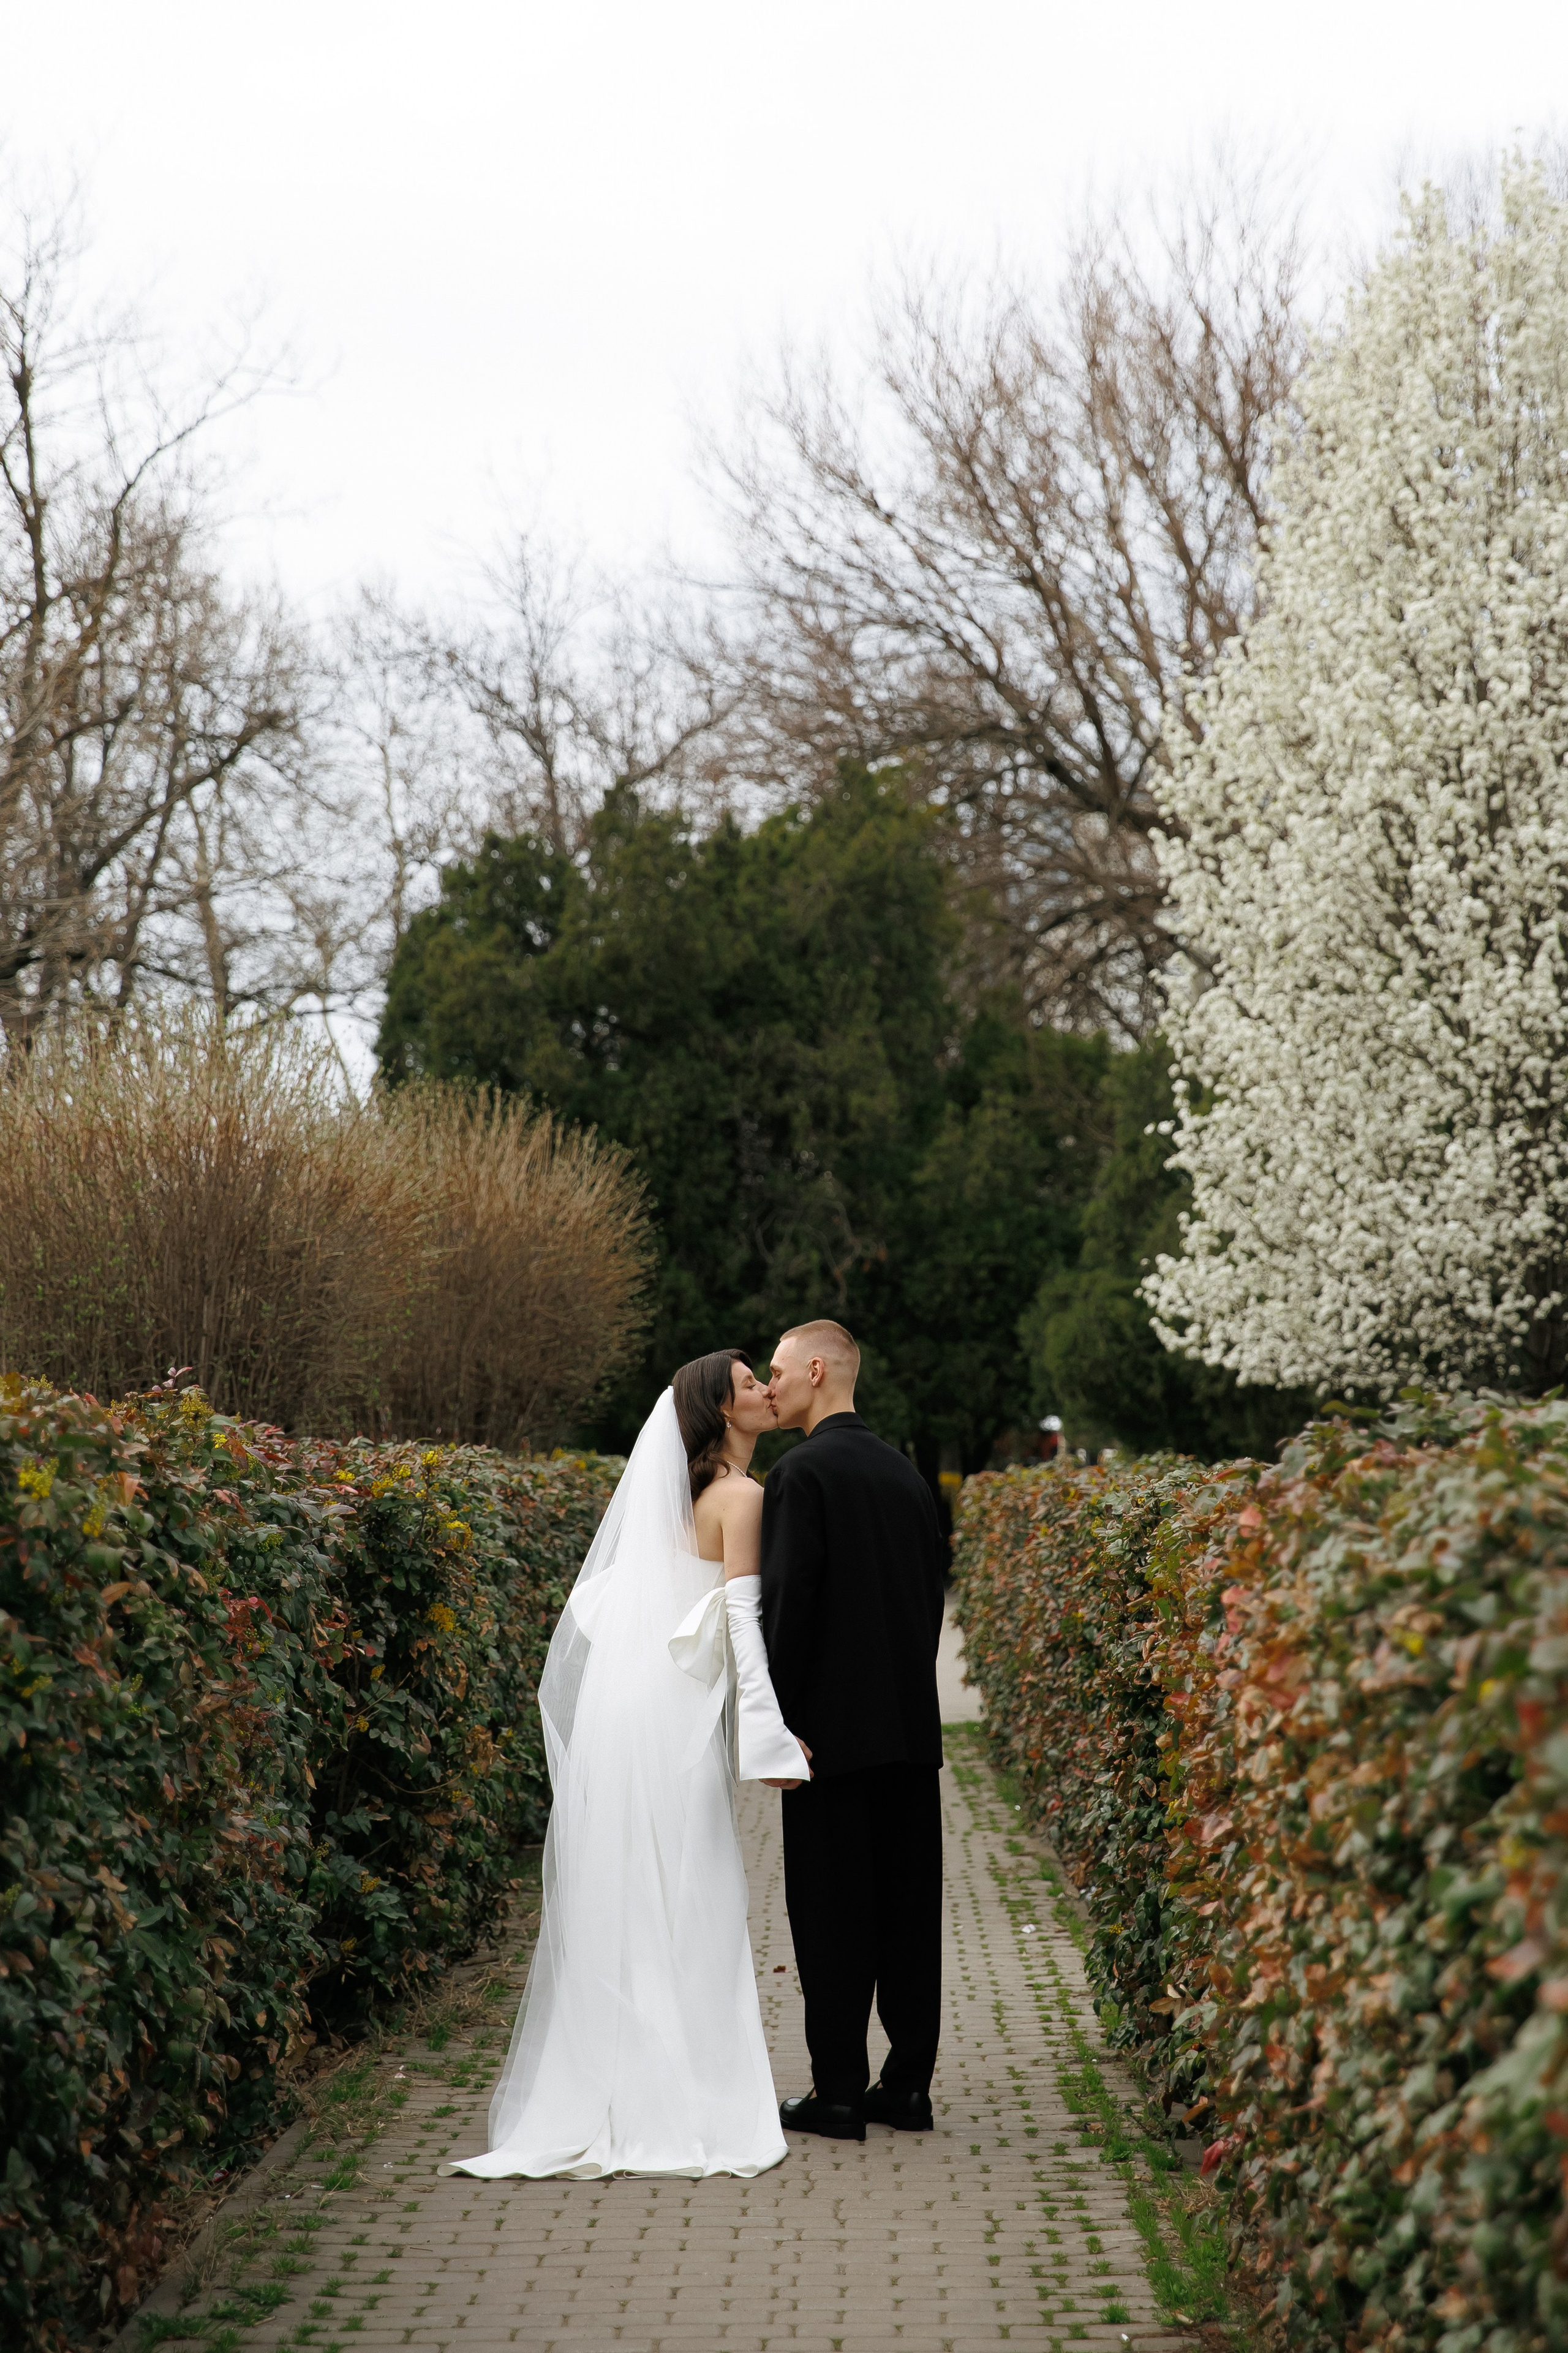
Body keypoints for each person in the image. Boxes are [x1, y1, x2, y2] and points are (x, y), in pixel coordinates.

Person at [448, 1351, 810, 2181]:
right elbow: (744, 1634)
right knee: (693, 1884)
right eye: (750, 1381)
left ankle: (624, 2082)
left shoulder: (674, 1503)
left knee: (637, 1885)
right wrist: (771, 1741)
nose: (764, 1388)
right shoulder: (743, 1498)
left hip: (633, 1702)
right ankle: (682, 2097)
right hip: (674, 1711)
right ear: (722, 1411)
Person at [761, 1320, 947, 2141]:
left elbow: (789, 1608)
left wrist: (775, 1723)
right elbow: (930, 1602)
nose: (770, 1388)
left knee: (832, 1912)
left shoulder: (799, 1474)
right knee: (909, 1912)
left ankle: (837, 2089)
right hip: (909, 1731)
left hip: (828, 1740)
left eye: (776, 1371)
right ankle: (907, 2086)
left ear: (815, 1368)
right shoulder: (909, 1476)